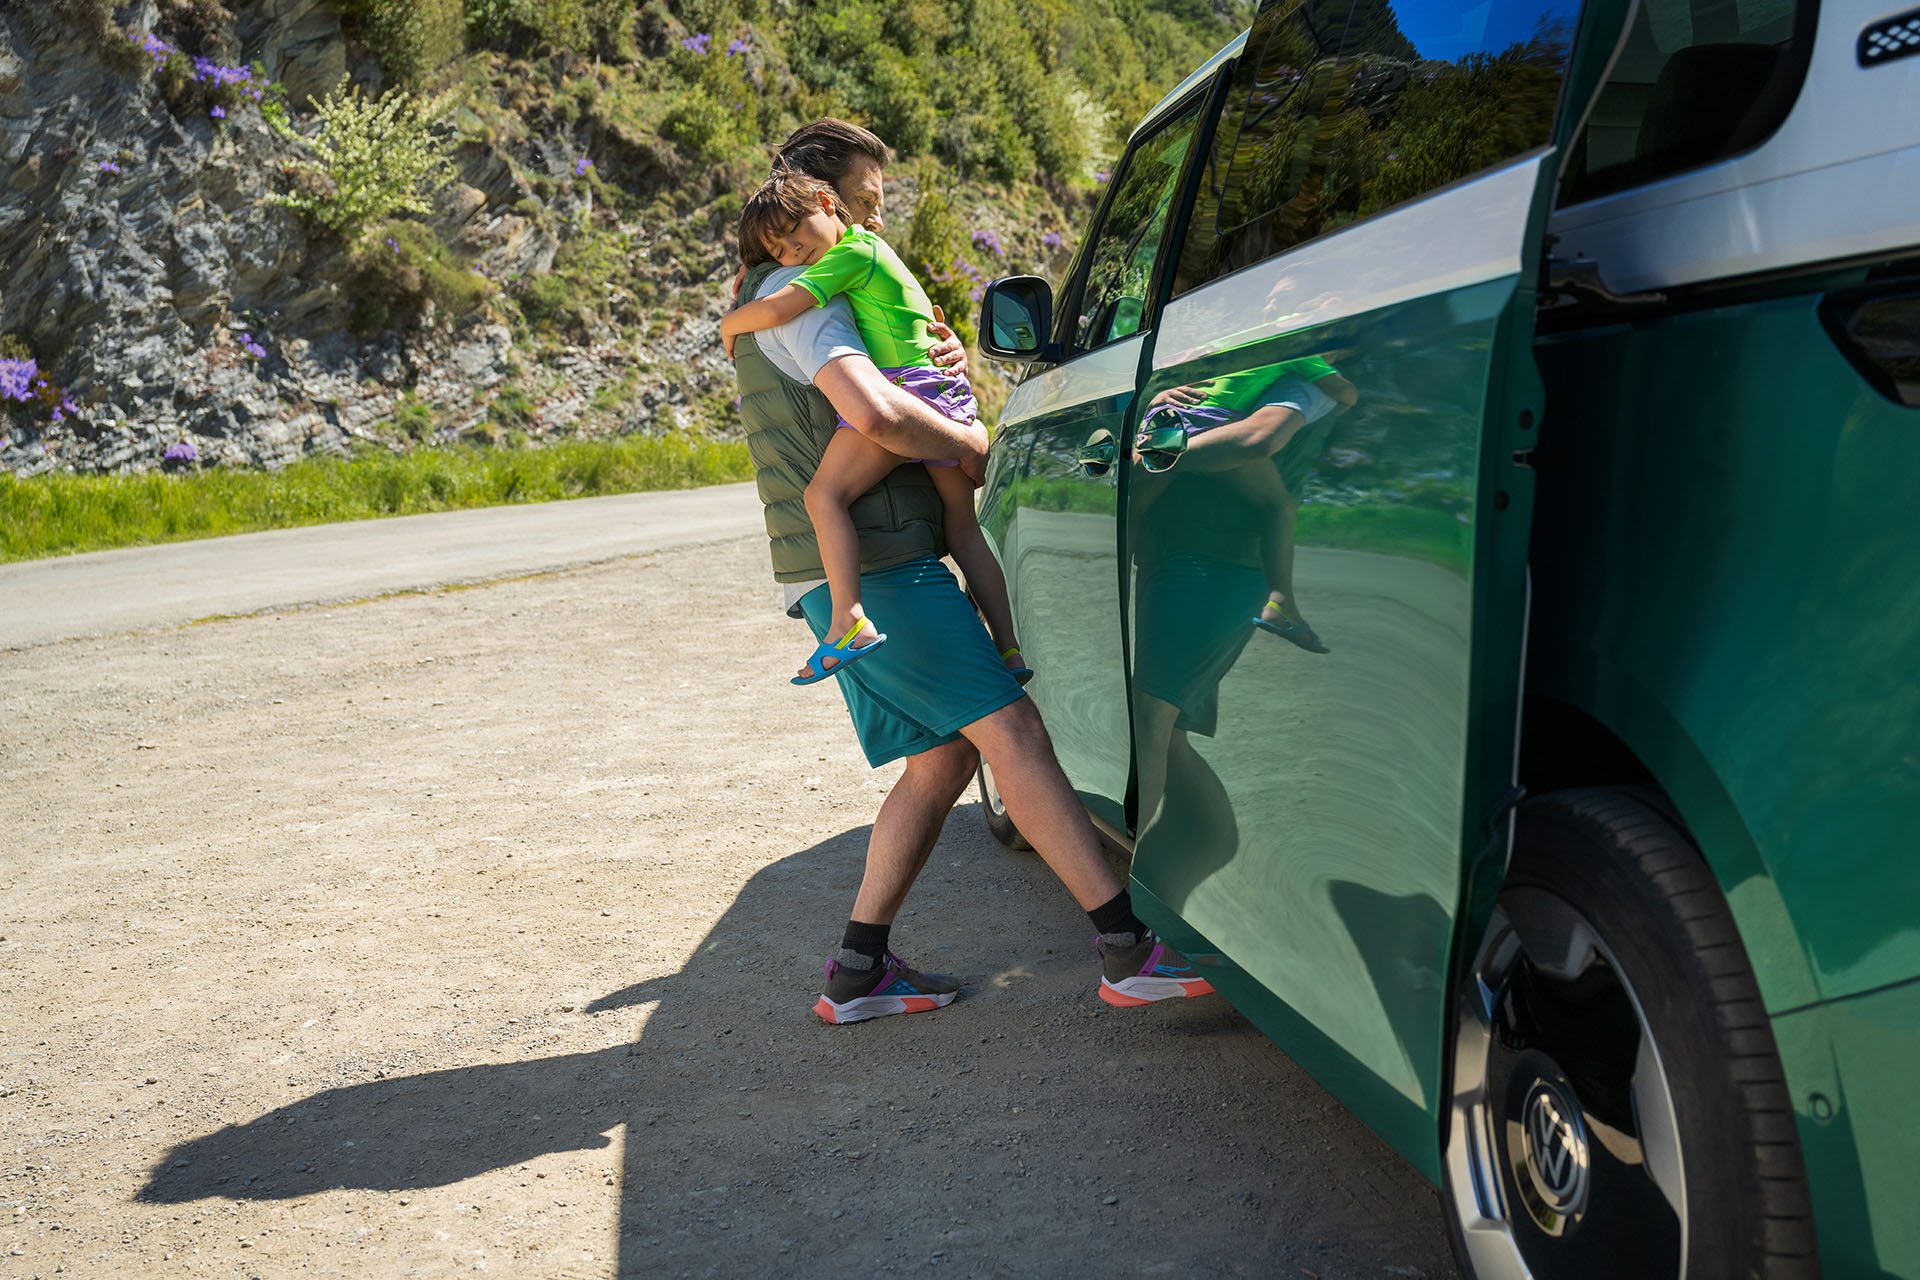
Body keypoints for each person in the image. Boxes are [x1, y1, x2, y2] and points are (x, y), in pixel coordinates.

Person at [730, 118, 1215, 1022]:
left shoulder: (804, 289)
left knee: (943, 757)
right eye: (869, 201)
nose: (879, 219)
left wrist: (937, 357)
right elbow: (876, 417)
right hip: (880, 570)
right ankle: (1125, 948)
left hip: (864, 559)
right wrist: (970, 437)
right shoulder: (808, 297)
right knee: (1015, 734)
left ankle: (858, 969)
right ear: (824, 196)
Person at [721, 169, 1027, 687]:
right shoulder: (867, 254)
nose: (795, 256)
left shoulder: (852, 253)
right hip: (942, 396)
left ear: (825, 202)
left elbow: (785, 305)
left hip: (907, 394)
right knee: (964, 529)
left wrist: (730, 325)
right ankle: (1010, 648)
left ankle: (849, 620)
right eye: (781, 253)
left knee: (823, 497)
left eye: (797, 237)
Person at [1136, 356, 1357, 653]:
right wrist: (1345, 396)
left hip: (1170, 414)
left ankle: (1136, 552)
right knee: (1278, 507)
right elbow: (1345, 392)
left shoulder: (1236, 350)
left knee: (1134, 507)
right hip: (1207, 422)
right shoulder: (1302, 355)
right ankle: (1280, 602)